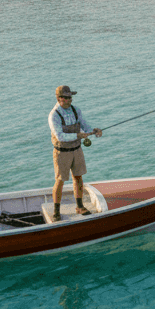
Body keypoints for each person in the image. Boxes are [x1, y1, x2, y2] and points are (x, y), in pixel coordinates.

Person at [49, 86, 101, 219]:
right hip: (62, 152)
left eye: (70, 97)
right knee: (60, 181)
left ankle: (80, 207)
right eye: (66, 98)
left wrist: (93, 130)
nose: (69, 100)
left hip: (77, 150)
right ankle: (56, 211)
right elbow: (60, 136)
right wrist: (78, 136)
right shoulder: (54, 115)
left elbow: (84, 125)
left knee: (78, 177)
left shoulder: (76, 110)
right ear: (59, 98)